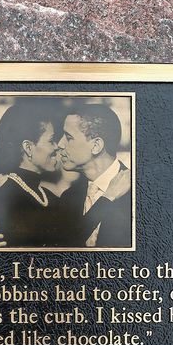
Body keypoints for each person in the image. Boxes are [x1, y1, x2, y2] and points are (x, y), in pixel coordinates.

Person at [0, 100, 63, 248]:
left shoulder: (47, 196)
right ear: (28, 147)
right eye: (51, 140)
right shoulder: (9, 198)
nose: (57, 146)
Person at [55, 104, 132, 248]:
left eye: (68, 137)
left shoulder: (137, 194)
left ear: (96, 145)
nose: (60, 144)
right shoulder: (68, 197)